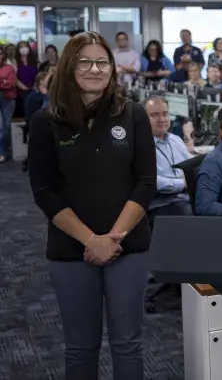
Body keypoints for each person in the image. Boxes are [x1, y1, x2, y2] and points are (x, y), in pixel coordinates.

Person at [27, 31, 156, 380]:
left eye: (102, 62)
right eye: (85, 61)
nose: (95, 69)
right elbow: (44, 191)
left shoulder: (132, 114)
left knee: (128, 343)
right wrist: (91, 240)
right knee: (81, 347)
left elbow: (145, 183)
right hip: (71, 250)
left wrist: (112, 238)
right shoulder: (45, 122)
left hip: (128, 247)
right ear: (69, 66)